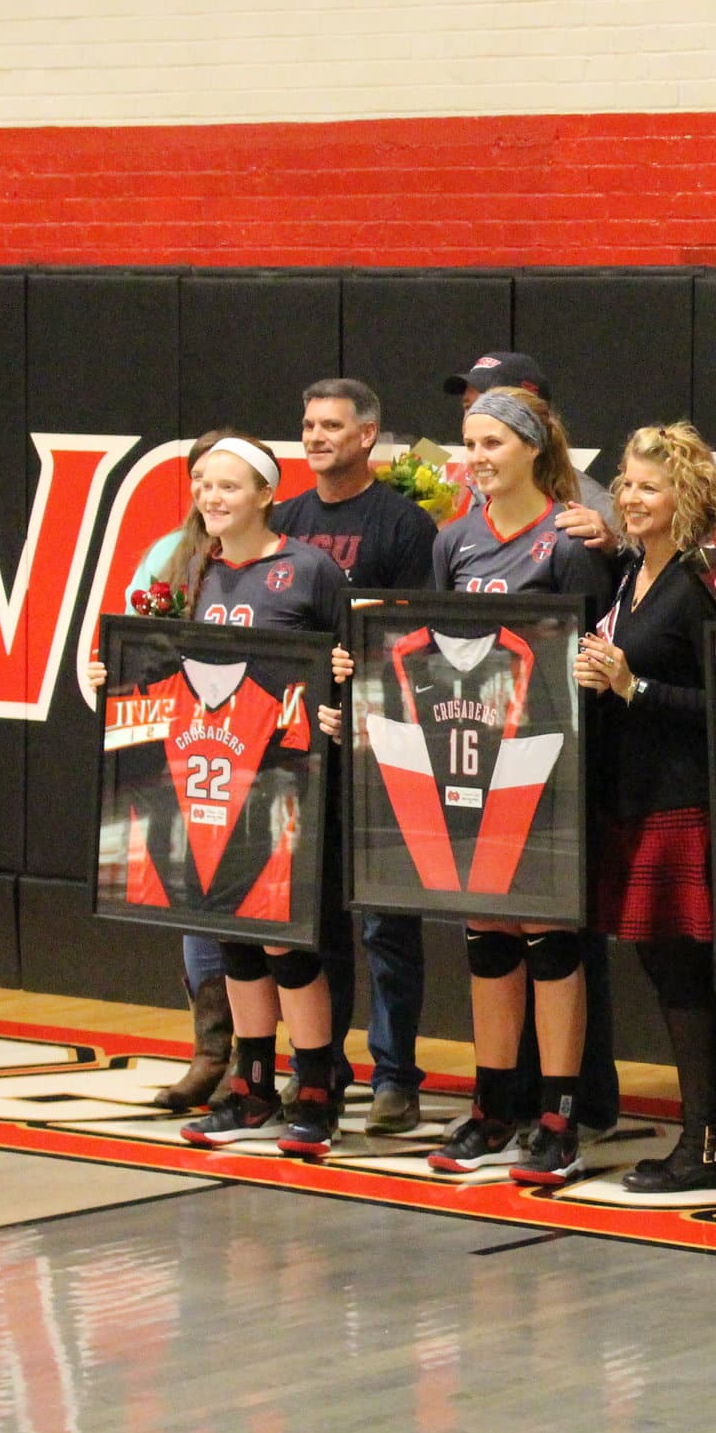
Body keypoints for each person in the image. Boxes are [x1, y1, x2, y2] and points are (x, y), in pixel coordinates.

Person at [91, 431, 354, 1160]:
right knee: (235, 937)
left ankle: (316, 1091)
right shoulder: (187, 571)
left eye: (228, 484)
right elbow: (157, 660)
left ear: (267, 493)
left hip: (287, 785)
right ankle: (254, 1086)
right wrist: (110, 679)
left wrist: (342, 703)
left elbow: (352, 665)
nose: (211, 496)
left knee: (287, 942)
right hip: (208, 782)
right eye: (203, 482)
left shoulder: (308, 570)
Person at [414, 387, 617, 1185]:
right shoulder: (454, 541)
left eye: (493, 441)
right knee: (486, 928)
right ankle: (492, 1105)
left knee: (548, 932)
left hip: (548, 766)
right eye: (469, 442)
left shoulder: (567, 543)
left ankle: (559, 1115)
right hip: (473, 764)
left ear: (535, 447)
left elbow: (596, 661)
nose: (477, 457)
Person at [575, 423, 716, 1192]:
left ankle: (705, 1144)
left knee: (681, 975)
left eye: (650, 484)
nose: (630, 496)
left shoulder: (705, 574)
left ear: (689, 494)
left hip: (684, 802)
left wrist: (631, 686)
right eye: (625, 482)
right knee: (662, 966)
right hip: (631, 794)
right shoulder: (630, 572)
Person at [269, 378, 439, 1136]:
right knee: (317, 919)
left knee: (387, 922)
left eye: (331, 424)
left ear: (368, 435)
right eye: (308, 424)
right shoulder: (287, 521)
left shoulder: (404, 525)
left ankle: (396, 1074)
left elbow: (419, 636)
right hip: (309, 746)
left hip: (382, 744)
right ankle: (321, 1069)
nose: (315, 436)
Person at [444, 352, 615, 518]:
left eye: (489, 406)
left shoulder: (592, 507)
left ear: (529, 416)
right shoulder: (475, 493)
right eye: (468, 407)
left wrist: (609, 546)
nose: (475, 416)